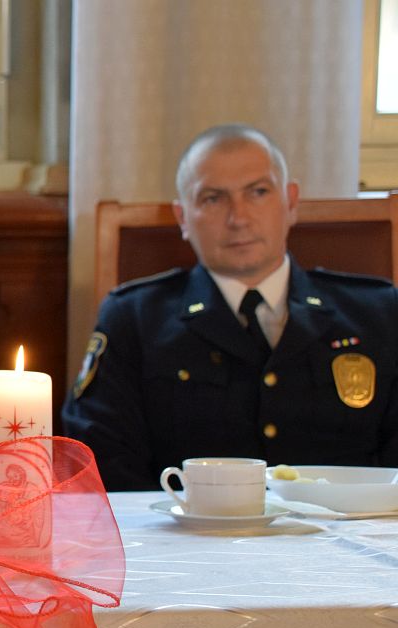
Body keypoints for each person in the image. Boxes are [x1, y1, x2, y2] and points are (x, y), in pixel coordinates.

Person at [62, 123, 398, 490]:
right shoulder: (134, 320)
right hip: (185, 526)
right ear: (183, 217)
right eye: (213, 199)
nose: (238, 218)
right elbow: (101, 461)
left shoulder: (378, 314)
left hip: (350, 525)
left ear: (291, 202)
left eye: (258, 192)